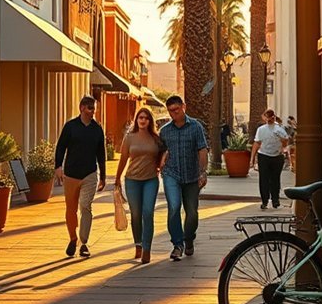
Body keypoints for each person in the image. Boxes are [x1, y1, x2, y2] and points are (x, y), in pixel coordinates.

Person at [54, 96, 106, 258]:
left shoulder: (97, 129)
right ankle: (72, 238)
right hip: (70, 174)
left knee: (85, 206)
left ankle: (84, 243)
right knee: (71, 209)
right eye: (90, 108)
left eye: (94, 108)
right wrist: (58, 167)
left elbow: (101, 154)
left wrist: (103, 176)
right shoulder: (70, 127)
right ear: (82, 108)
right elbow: (61, 146)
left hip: (90, 174)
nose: (93, 111)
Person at [158, 95, 208, 261]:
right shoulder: (165, 131)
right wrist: (161, 161)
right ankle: (177, 244)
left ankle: (189, 239)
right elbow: (159, 151)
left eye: (176, 110)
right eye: (170, 111)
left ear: (183, 107)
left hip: (192, 175)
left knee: (192, 212)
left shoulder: (196, 127)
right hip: (171, 173)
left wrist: (202, 172)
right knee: (174, 207)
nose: (174, 114)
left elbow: (202, 150)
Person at [114, 107, 162, 264]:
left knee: (148, 213)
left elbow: (163, 155)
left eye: (146, 118)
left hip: (151, 180)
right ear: (137, 120)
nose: (143, 120)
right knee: (136, 214)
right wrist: (117, 179)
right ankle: (138, 244)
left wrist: (161, 165)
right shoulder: (129, 137)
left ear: (150, 121)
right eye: (140, 117)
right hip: (132, 180)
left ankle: (147, 249)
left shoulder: (156, 138)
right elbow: (123, 160)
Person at [251, 109, 289, 209]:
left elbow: (285, 143)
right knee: (264, 179)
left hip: (277, 157)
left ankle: (275, 200)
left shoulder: (279, 129)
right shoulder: (261, 129)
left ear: (274, 117)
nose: (269, 119)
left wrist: (282, 140)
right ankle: (265, 200)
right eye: (267, 117)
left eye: (271, 117)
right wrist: (252, 159)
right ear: (264, 118)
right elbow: (257, 143)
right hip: (263, 155)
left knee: (275, 179)